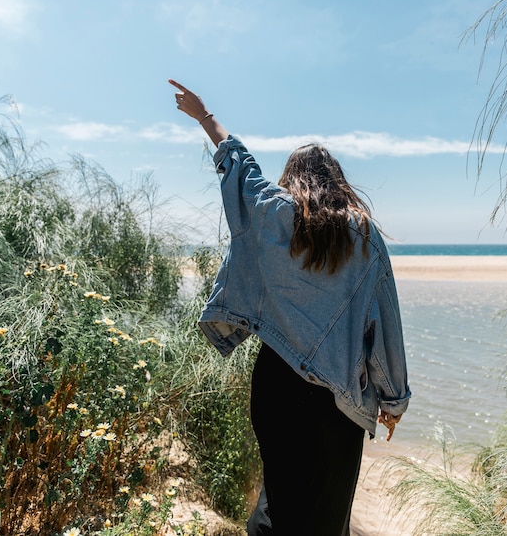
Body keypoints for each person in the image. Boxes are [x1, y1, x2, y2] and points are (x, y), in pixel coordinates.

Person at [169, 79, 411, 536]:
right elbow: (385, 326)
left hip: (276, 385)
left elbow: (240, 166)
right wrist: (393, 399)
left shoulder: (271, 212)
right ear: (338, 181)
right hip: (335, 401)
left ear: (292, 178)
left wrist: (205, 117)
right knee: (326, 511)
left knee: (278, 496)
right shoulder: (364, 236)